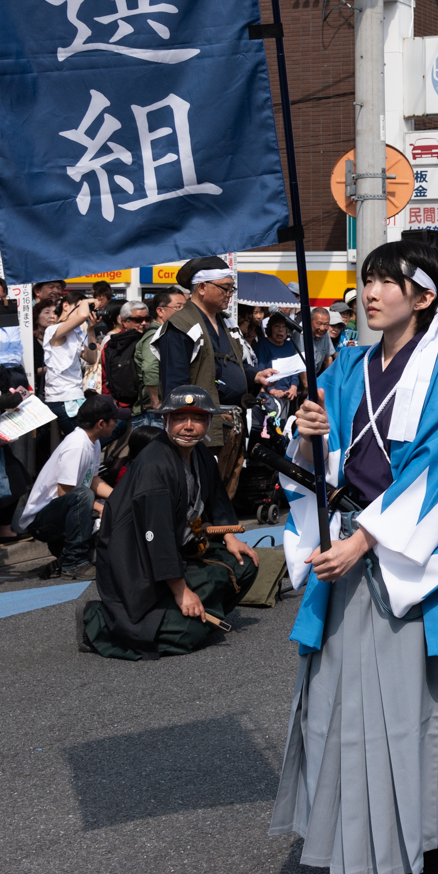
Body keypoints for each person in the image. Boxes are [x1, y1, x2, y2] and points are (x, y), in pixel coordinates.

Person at [271, 240, 438, 874]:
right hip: (345, 550)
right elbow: (317, 467)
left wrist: (364, 540)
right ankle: (354, 849)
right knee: (338, 704)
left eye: (387, 282)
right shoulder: (343, 368)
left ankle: (422, 852)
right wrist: (308, 430)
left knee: (406, 710)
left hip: (401, 564)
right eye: (367, 281)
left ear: (424, 298)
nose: (370, 293)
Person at [76, 386, 260, 660]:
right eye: (179, 418)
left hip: (181, 552)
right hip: (139, 564)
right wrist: (182, 591)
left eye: (197, 419)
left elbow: (217, 500)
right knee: (187, 635)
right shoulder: (155, 466)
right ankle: (99, 620)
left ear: (208, 422)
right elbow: (157, 537)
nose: (188, 427)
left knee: (244, 566)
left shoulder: (199, 454)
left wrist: (230, 537)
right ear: (165, 421)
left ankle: (190, 610)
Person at [153, 257, 272, 451]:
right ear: (201, 287)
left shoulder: (226, 323)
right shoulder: (180, 326)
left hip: (233, 423)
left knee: (228, 480)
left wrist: (256, 375)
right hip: (201, 427)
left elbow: (233, 365)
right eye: (225, 288)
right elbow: (175, 386)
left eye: (231, 289)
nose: (229, 295)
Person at [18, 391, 124, 579]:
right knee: (85, 497)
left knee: (111, 505)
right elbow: (65, 492)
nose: (116, 423)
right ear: (101, 423)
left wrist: (120, 497)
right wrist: (99, 507)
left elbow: (93, 480)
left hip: (62, 511)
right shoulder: (77, 445)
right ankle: (74, 562)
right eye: (113, 419)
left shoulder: (93, 441)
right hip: (41, 521)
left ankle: (67, 555)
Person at [43, 291, 99, 436]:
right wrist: (87, 302)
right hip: (62, 398)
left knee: (101, 434)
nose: (85, 312)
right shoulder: (53, 330)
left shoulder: (76, 333)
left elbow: (92, 358)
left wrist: (91, 330)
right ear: (65, 306)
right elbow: (81, 316)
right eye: (80, 307)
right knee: (83, 440)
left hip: (75, 396)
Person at [133, 289, 186, 425]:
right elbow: (150, 368)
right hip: (153, 414)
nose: (184, 311)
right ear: (160, 311)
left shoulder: (169, 333)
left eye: (186, 307)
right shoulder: (155, 335)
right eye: (178, 307)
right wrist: (156, 403)